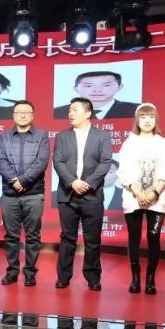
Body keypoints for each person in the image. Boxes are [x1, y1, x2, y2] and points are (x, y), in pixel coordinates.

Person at [53, 97, 113, 291]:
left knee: (92, 240)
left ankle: (93, 277)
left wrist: (88, 183)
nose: (70, 113)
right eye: (70, 110)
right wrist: (72, 182)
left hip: (92, 195)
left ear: (88, 113)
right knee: (67, 238)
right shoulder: (62, 136)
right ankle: (63, 277)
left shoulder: (102, 136)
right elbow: (58, 162)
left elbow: (105, 162)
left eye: (75, 110)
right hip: (68, 195)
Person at [116, 103, 165, 294]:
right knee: (134, 237)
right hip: (133, 197)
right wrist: (138, 193)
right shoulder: (129, 142)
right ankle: (135, 278)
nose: (147, 121)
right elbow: (123, 170)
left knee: (153, 237)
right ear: (137, 120)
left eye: (151, 117)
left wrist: (154, 193)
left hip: (158, 196)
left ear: (156, 120)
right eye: (143, 117)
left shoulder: (163, 143)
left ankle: (150, 279)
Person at [0, 100, 49, 286]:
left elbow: (41, 161)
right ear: (13, 115)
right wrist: (14, 180)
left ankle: (30, 272)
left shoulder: (42, 135)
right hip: (10, 194)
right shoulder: (5, 137)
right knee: (11, 236)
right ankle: (12, 271)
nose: (23, 115)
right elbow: (0, 161)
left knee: (33, 236)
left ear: (33, 115)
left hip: (33, 194)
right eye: (19, 112)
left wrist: (24, 180)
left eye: (27, 112)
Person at [53, 71, 140, 119]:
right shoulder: (59, 112)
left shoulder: (137, 110)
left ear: (119, 87)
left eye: (106, 85)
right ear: (75, 89)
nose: (97, 90)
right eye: (88, 86)